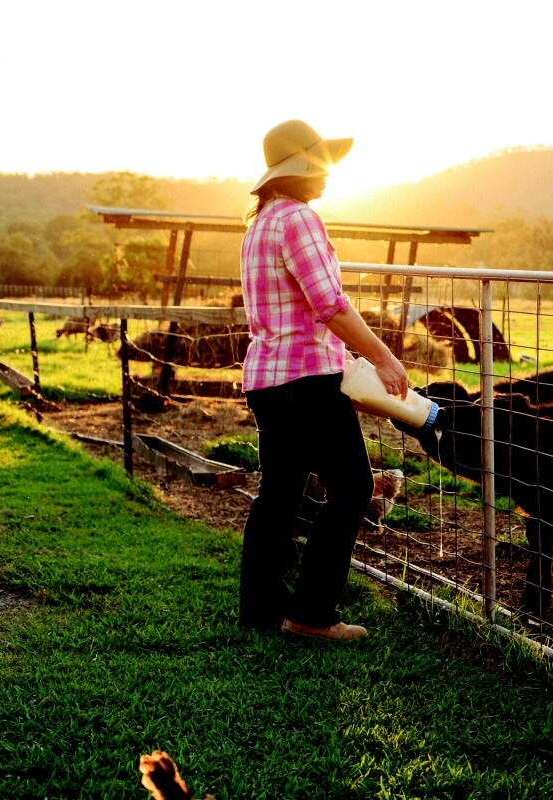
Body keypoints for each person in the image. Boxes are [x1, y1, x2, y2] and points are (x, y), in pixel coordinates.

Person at [238, 119, 409, 641]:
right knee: (354, 486)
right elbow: (330, 305)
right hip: (306, 379)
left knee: (280, 493)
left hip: (268, 379)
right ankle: (312, 614)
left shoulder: (260, 224)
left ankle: (261, 610)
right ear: (301, 166)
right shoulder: (300, 220)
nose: (328, 175)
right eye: (321, 164)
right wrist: (382, 356)